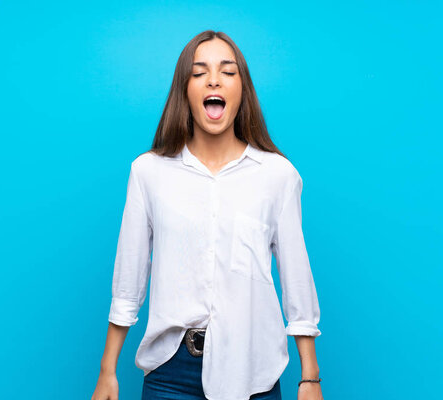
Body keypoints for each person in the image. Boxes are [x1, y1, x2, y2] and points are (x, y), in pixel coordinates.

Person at [91, 30, 323, 400]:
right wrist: (108, 371)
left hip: (253, 373)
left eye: (227, 72)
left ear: (242, 90)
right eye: (199, 73)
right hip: (170, 374)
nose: (214, 79)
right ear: (185, 90)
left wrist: (310, 378)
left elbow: (297, 278)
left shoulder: (278, 175)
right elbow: (128, 279)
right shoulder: (148, 172)